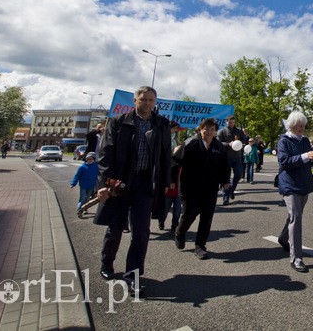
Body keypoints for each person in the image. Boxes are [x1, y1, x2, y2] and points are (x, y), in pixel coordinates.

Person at [94, 86, 172, 297]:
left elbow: (166, 156)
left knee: (141, 232)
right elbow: (105, 154)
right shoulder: (119, 121)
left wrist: (166, 182)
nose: (147, 103)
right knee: (116, 227)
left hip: (145, 185)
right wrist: (103, 184)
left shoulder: (161, 124)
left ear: (155, 102)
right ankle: (106, 264)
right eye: (143, 99)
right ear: (135, 100)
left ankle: (133, 277)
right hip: (119, 183)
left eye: (151, 100)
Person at [173, 118, 230, 259]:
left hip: (210, 188)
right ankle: (180, 232)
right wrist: (171, 180)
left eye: (212, 129)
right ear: (200, 129)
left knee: (207, 217)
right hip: (190, 188)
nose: (209, 132)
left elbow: (224, 165)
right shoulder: (191, 143)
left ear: (216, 131)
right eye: (206, 128)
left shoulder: (219, 147)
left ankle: (200, 246)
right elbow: (175, 161)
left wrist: (225, 181)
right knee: (189, 215)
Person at [277, 111, 313, 272]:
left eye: (303, 126)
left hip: (304, 183)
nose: (301, 128)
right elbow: (285, 162)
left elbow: (308, 160)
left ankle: (283, 238)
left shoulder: (305, 140)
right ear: (292, 125)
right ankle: (296, 258)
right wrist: (305, 156)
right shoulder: (283, 141)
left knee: (294, 215)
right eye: (299, 125)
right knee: (297, 217)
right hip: (290, 185)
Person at [217, 115, 245, 205]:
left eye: (233, 122)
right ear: (226, 122)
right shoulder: (222, 131)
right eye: (230, 122)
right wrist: (229, 144)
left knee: (239, 174)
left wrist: (240, 143)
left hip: (237, 157)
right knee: (226, 178)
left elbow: (244, 141)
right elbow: (219, 143)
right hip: (226, 158)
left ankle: (231, 190)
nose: (232, 124)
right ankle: (225, 198)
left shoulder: (239, 131)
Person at [71, 152, 99, 218]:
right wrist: (73, 183)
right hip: (83, 185)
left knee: (87, 199)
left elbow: (99, 176)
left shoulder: (96, 167)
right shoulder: (82, 167)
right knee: (82, 198)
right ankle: (79, 210)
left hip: (91, 186)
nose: (89, 160)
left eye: (91, 159)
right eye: (88, 159)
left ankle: (85, 209)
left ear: (94, 159)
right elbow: (77, 176)